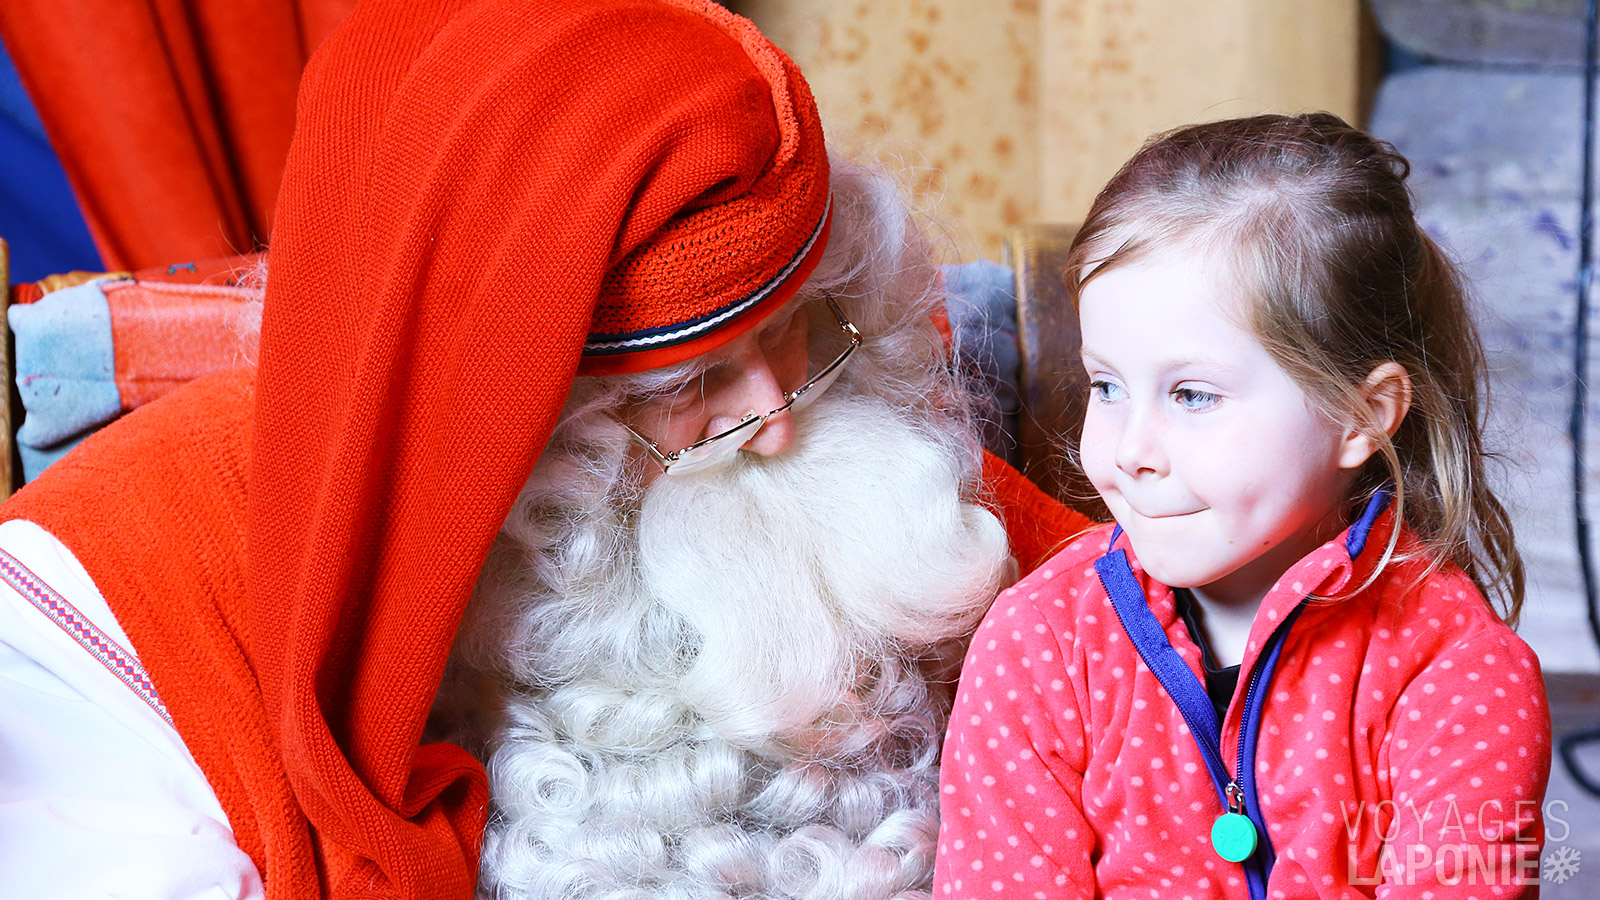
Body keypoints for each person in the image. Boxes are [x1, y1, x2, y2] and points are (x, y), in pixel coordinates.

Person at [0, 0, 1090, 897]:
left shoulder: (847, 457)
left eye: (802, 327)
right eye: (693, 382)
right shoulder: (112, 589)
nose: (779, 414)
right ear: (518, 417)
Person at [934, 113, 1552, 899]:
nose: (1130, 449)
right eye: (1106, 386)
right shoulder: (1038, 645)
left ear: (1363, 415)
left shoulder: (1456, 672)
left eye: (1193, 394)